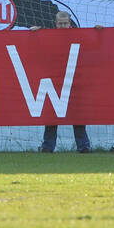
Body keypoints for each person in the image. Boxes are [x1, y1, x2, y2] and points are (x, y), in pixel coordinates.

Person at [39, 11, 90, 153]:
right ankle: (47, 147)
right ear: (56, 24)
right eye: (60, 24)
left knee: (78, 115)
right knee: (51, 116)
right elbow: (35, 48)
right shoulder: (48, 37)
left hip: (74, 81)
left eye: (65, 23)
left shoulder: (80, 36)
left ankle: (84, 146)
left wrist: (98, 32)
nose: (63, 26)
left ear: (70, 23)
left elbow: (94, 45)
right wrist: (33, 34)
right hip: (54, 82)